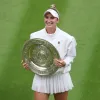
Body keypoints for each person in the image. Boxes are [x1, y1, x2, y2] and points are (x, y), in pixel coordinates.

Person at [22, 4, 77, 100]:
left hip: (60, 77)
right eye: (46, 17)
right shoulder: (34, 36)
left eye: (52, 18)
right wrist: (29, 64)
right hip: (41, 78)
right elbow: (32, 55)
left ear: (57, 20)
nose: (49, 20)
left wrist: (64, 62)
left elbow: (71, 56)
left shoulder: (68, 38)